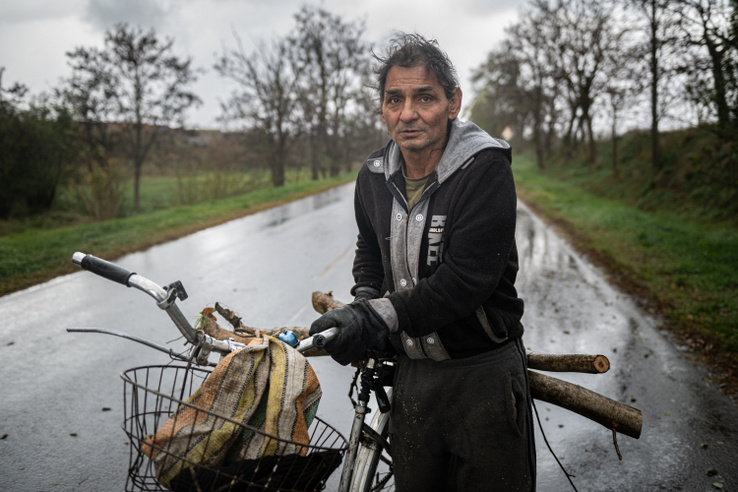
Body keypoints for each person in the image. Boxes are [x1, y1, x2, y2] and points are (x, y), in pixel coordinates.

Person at [310, 33, 536, 491]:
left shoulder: (485, 168)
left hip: (483, 375)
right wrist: (365, 299)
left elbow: (467, 279)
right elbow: (370, 250)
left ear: (453, 103)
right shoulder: (372, 175)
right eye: (395, 99)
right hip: (414, 378)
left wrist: (377, 317)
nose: (408, 113)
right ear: (382, 109)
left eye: (424, 97)